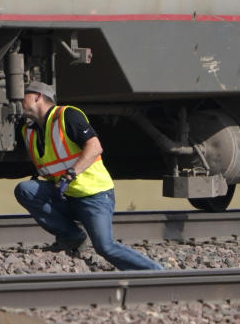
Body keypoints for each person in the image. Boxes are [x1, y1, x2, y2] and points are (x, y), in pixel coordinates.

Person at [14, 81, 163, 271]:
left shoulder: (66, 115)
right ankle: (72, 236)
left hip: (94, 195)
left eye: (23, 96)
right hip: (65, 195)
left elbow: (95, 147)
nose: (18, 100)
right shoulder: (29, 130)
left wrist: (70, 174)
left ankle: (157, 272)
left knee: (105, 247)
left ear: (38, 97)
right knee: (26, 190)